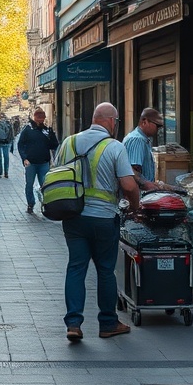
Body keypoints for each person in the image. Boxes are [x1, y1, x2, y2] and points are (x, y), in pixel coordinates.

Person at [53, 102, 140, 342]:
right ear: (112, 121)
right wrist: (135, 207)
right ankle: (108, 323)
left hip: (72, 217)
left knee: (76, 267)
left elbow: (55, 174)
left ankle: (73, 323)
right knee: (105, 270)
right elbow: (128, 185)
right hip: (103, 218)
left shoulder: (68, 143)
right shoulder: (114, 146)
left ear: (94, 119)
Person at [16, 107, 59, 214]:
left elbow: (54, 145)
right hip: (30, 163)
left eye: (42, 118)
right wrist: (24, 158)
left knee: (45, 184)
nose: (40, 120)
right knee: (29, 184)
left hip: (44, 162)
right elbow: (20, 144)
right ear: (34, 117)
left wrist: (52, 135)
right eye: (38, 118)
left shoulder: (47, 130)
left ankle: (46, 204)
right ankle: (30, 204)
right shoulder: (28, 129)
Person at [122, 108, 170, 192]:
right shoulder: (138, 140)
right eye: (157, 125)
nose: (158, 129)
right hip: (138, 194)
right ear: (144, 121)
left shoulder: (142, 139)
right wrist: (148, 185)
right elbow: (132, 171)